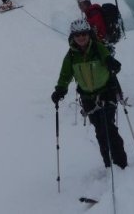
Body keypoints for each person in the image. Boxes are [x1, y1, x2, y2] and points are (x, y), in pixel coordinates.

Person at [51, 19, 128, 169]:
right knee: (100, 131)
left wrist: (112, 64)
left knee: (108, 128)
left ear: (89, 34)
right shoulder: (71, 56)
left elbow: (108, 59)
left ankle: (120, 163)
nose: (81, 37)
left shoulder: (98, 48)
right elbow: (65, 75)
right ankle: (108, 164)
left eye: (84, 34)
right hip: (88, 99)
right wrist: (60, 89)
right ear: (72, 37)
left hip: (106, 92)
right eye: (77, 35)